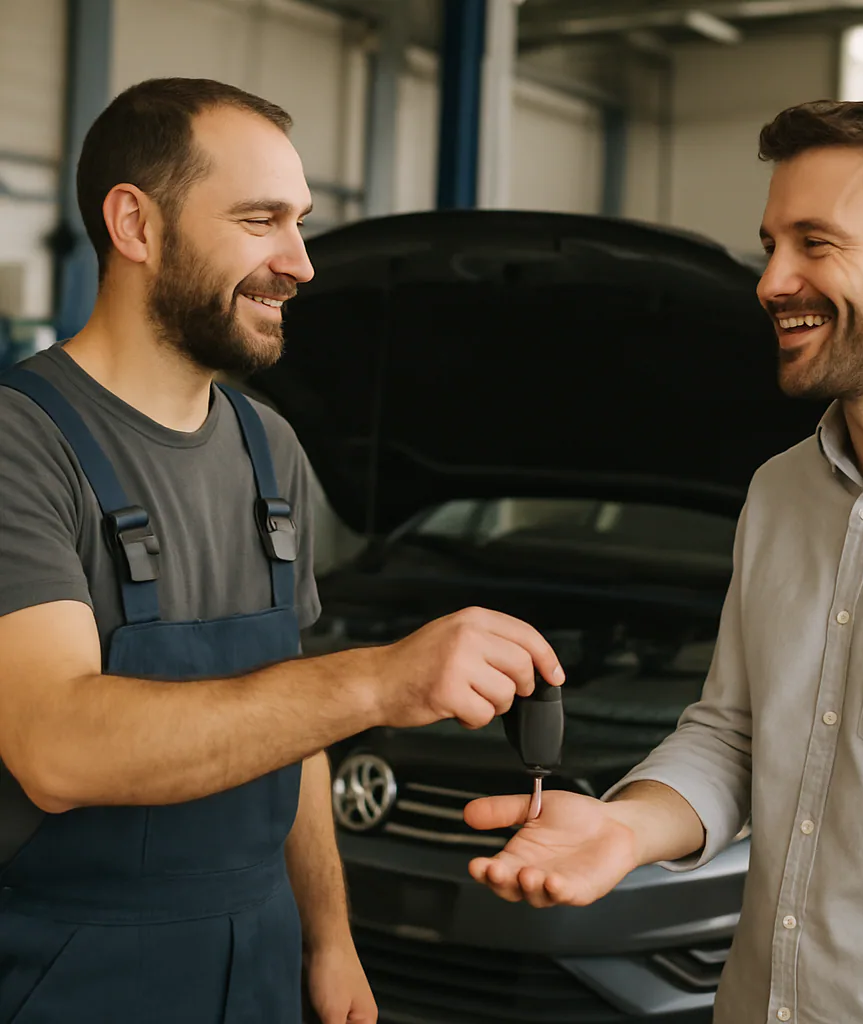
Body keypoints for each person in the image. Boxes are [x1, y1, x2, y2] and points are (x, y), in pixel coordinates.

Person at [0, 78, 564, 1024]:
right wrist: (380, 680)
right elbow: (57, 747)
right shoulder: (24, 443)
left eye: (300, 223)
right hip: (68, 971)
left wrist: (328, 939)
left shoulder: (271, 450)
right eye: (261, 220)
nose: (299, 263)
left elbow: (287, 724)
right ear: (135, 224)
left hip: (259, 957)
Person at [465, 97, 863, 1023]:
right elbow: (732, 735)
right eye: (771, 244)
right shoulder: (780, 493)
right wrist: (622, 826)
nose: (771, 281)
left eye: (816, 242)